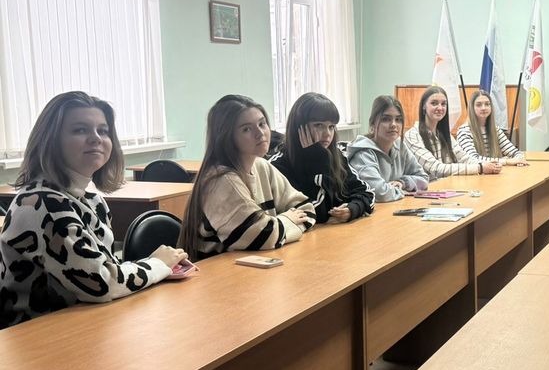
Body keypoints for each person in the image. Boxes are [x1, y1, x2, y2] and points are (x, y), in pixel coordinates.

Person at [1, 92, 187, 329]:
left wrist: (154, 265)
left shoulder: (92, 200)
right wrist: (157, 264)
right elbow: (101, 282)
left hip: (84, 322)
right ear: (51, 140)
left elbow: (106, 269)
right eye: (80, 130)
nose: (96, 138)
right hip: (37, 334)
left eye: (103, 131)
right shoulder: (42, 203)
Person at [180, 95, 315, 259]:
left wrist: (278, 230)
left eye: (262, 124)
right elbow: (262, 238)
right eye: (246, 129)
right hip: (217, 270)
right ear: (227, 137)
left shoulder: (261, 166)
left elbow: (307, 209)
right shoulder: (220, 180)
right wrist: (288, 219)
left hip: (253, 265)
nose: (260, 133)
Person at [269, 92, 374, 224]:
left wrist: (352, 209)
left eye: (331, 127)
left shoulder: (336, 155)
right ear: (298, 127)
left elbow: (367, 193)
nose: (327, 134)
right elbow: (314, 213)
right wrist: (317, 160)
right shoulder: (278, 166)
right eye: (319, 125)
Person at [404, 86, 501, 180]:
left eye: (443, 104)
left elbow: (464, 158)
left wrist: (488, 164)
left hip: (447, 186)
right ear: (424, 106)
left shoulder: (444, 134)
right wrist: (480, 168)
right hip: (427, 189)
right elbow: (436, 169)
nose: (440, 108)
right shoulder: (413, 135)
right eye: (434, 103)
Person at [347, 95, 429, 201]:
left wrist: (403, 182)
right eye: (386, 119)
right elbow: (380, 193)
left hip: (394, 207)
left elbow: (424, 179)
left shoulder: (400, 147)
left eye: (398, 119)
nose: (393, 124)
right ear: (372, 124)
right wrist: (403, 191)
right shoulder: (363, 154)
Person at [456, 90, 527, 164]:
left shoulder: (495, 130)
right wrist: (506, 161)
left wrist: (518, 160)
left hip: (493, 170)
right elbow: (473, 160)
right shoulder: (464, 131)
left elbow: (515, 152)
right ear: (472, 108)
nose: (483, 108)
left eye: (487, 104)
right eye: (478, 105)